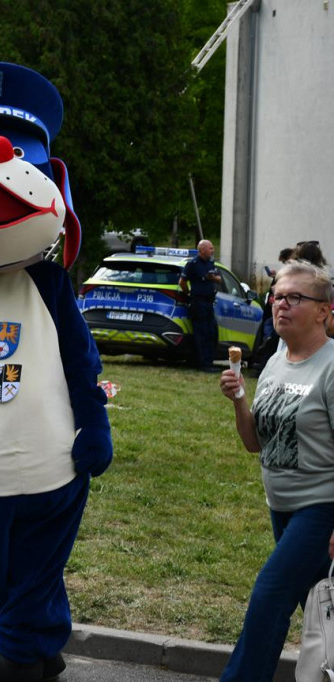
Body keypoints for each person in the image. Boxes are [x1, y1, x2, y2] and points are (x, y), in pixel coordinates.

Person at [218, 260, 334, 682]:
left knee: (270, 596)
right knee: (320, 606)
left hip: (320, 508)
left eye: (294, 297)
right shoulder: (274, 362)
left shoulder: (331, 366)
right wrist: (239, 400)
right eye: (277, 296)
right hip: (280, 506)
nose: (281, 304)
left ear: (323, 310)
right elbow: (255, 443)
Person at [179, 239, 222, 371]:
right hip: (198, 303)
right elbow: (182, 282)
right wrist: (189, 294)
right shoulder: (193, 264)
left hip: (209, 303)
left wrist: (212, 278)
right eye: (210, 248)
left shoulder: (211, 263)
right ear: (202, 250)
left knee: (211, 333)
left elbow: (219, 279)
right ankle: (203, 363)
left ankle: (209, 362)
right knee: (201, 333)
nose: (213, 251)